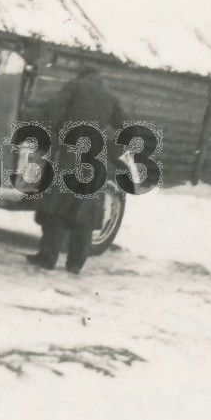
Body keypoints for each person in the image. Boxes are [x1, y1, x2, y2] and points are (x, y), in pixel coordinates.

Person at [27, 68, 126, 275]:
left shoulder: (75, 86)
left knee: (56, 208)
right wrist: (111, 150)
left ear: (81, 75)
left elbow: (51, 109)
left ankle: (47, 258)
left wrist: (50, 134)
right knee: (85, 214)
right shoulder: (111, 97)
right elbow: (125, 128)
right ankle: (75, 264)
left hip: (69, 153)